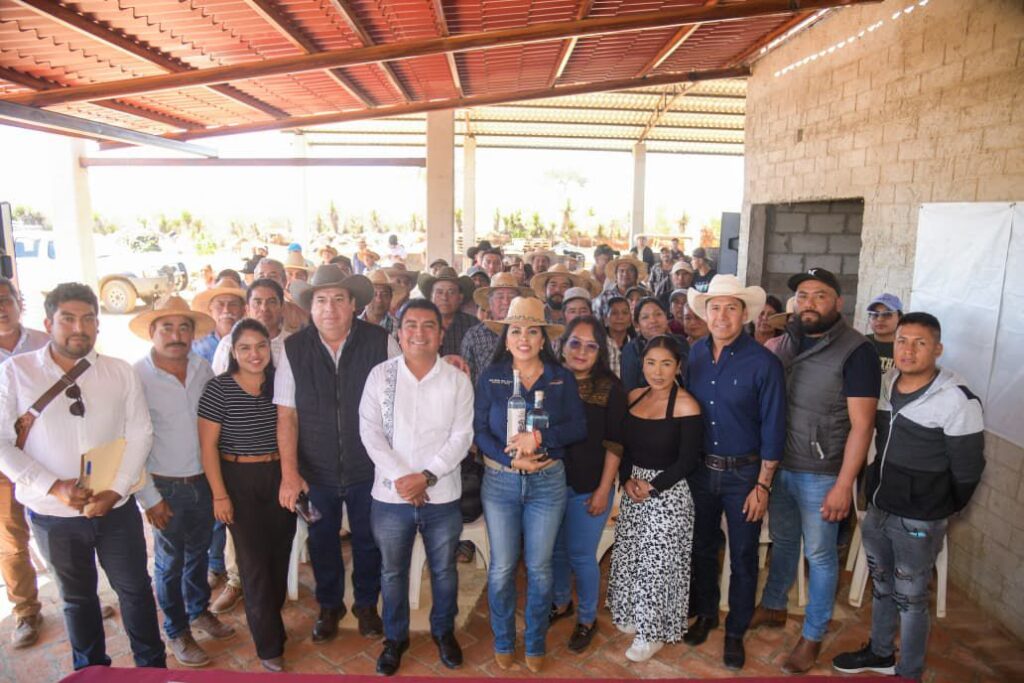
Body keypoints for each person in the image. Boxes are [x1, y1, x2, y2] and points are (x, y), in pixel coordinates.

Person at [0, 283, 165, 671]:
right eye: (68, 319)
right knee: (77, 600)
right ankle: (91, 673)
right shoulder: (16, 373)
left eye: (88, 319)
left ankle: (153, 671)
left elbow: (140, 432)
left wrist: (116, 489)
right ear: (48, 324)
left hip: (116, 510)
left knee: (136, 591)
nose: (80, 328)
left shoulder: (118, 371)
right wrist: (53, 486)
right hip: (53, 516)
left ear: (98, 324)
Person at [832, 312, 985, 683]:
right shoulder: (886, 385)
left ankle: (909, 671)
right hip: (880, 508)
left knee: (912, 598)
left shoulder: (957, 400)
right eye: (902, 341)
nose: (908, 350)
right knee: (882, 586)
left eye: (920, 343)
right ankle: (881, 652)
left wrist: (938, 508)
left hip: (919, 519)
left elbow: (968, 470)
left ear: (938, 349)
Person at [752, 267, 881, 674]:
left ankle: (812, 635)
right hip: (780, 464)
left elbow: (863, 425)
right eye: (803, 295)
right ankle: (774, 604)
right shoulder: (786, 341)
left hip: (822, 472)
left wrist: (844, 484)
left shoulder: (856, 351)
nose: (809, 303)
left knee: (821, 555)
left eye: (820, 295)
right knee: (784, 540)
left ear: (838, 302)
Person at [275, 265, 400, 644]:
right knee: (321, 539)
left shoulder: (381, 342)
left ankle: (366, 604)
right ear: (310, 306)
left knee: (368, 539)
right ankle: (330, 606)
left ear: (353, 304)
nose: (329, 308)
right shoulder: (293, 349)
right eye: (321, 300)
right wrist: (290, 474)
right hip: (316, 472)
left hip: (370, 468)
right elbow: (286, 416)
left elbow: (399, 405)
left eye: (338, 300)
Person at [359, 300, 474, 675]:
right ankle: (395, 638)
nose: (419, 333)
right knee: (392, 572)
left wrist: (426, 476)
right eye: (411, 324)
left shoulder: (457, 380)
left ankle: (444, 632)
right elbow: (370, 433)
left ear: (441, 334)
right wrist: (405, 479)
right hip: (390, 497)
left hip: (442, 496)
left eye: (428, 325)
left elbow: (461, 436)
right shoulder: (381, 376)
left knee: (444, 570)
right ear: (399, 331)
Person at [474, 297, 586, 672]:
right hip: (500, 484)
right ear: (506, 339)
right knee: (502, 568)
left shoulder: (560, 378)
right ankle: (504, 639)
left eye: (532, 331)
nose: (524, 338)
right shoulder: (491, 377)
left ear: (543, 340)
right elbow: (479, 431)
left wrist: (539, 438)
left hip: (547, 483)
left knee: (539, 568)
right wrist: (510, 459)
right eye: (516, 331)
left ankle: (535, 641)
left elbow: (578, 427)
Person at [684, 276, 787, 670]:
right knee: (702, 547)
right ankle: (707, 613)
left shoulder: (764, 363)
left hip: (745, 476)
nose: (722, 316)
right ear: (705, 313)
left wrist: (763, 485)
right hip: (700, 471)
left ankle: (736, 629)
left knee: (743, 555)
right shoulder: (694, 354)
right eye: (715, 307)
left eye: (731, 308)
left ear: (745, 314)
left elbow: (774, 428)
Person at [131, 296, 235, 667]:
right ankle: (177, 630)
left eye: (184, 328)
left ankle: (198, 611)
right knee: (169, 563)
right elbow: (131, 440)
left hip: (203, 482)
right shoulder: (137, 377)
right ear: (152, 331)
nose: (176, 336)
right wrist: (149, 497)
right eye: (167, 328)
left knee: (199, 556)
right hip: (164, 486)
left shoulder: (201, 368)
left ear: (193, 333)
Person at [199, 319, 296, 672]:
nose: (254, 354)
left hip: (279, 477)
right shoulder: (218, 388)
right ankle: (269, 645)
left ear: (270, 348)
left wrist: (293, 476)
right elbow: (207, 447)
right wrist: (219, 495)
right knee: (253, 564)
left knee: (279, 555)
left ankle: (271, 619)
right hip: (238, 479)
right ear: (233, 352)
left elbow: (293, 427)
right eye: (245, 348)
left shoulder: (280, 383)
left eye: (260, 346)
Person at [606, 335, 702, 662]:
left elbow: (688, 460)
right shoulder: (634, 396)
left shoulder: (687, 404)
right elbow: (623, 446)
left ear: (678, 367)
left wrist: (653, 486)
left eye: (666, 364)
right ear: (642, 364)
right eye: (651, 363)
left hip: (669, 495)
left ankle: (652, 634)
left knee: (656, 566)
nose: (657, 372)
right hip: (634, 488)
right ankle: (633, 615)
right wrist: (627, 479)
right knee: (631, 558)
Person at [208, 278, 290, 615]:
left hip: (278, 464)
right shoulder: (227, 345)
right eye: (258, 301)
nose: (264, 308)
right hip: (239, 465)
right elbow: (220, 402)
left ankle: (271, 600)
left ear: (282, 306)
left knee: (276, 546)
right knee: (245, 546)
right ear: (248, 305)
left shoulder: (291, 345)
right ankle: (236, 581)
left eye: (271, 301)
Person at [549, 316, 626, 653]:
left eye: (591, 346)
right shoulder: (550, 380)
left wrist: (603, 491)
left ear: (600, 352)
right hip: (549, 486)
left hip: (590, 488)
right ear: (562, 345)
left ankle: (587, 619)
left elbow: (615, 444)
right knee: (555, 551)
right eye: (575, 343)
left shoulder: (611, 388)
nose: (581, 351)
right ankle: (561, 602)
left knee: (581, 555)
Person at [0, 277, 50, 647]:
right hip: (4, 461)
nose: (1, 309)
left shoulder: (45, 343)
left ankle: (78, 596)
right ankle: (26, 611)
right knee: (12, 538)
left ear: (20, 302)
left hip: (48, 454)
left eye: (6, 299)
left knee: (60, 530)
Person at [460, 273, 531, 385]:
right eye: (500, 297)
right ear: (490, 303)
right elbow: (465, 378)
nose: (506, 302)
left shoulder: (530, 334)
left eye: (511, 297)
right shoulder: (474, 335)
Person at [620, 297, 688, 392]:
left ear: (666, 317)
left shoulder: (680, 342)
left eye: (658, 314)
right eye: (645, 317)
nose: (653, 320)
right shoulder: (631, 350)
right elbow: (630, 389)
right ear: (637, 325)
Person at [419, 267, 478, 358]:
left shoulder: (472, 324)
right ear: (431, 297)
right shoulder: (420, 323)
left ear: (460, 298)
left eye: (451, 292)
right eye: (439, 292)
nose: (445, 298)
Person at [191, 279, 246, 364]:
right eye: (220, 304)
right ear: (210, 309)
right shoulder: (197, 344)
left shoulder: (252, 340)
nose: (226, 310)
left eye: (233, 304)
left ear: (243, 310)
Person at [254, 258, 309, 334]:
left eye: (272, 276)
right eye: (261, 277)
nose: (266, 281)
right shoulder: (247, 314)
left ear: (284, 281)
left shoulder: (301, 314)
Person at [865, 293, 903, 374]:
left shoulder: (906, 348)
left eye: (887, 314)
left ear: (899, 318)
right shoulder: (860, 344)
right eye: (875, 314)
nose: (880, 319)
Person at [360, 271, 403, 338]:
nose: (379, 300)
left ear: (390, 297)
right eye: (374, 294)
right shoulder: (351, 325)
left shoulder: (399, 327)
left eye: (384, 294)